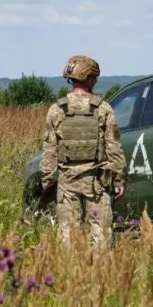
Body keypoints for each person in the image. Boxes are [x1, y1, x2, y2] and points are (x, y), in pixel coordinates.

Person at [40, 55, 127, 247]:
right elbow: (114, 147)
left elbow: (49, 149)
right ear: (88, 78)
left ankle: (70, 274)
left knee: (67, 237)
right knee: (101, 237)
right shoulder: (103, 109)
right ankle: (101, 274)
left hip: (66, 183)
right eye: (93, 79)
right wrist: (119, 179)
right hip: (96, 183)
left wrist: (47, 179)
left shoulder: (56, 110)